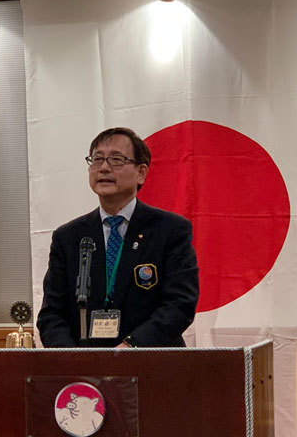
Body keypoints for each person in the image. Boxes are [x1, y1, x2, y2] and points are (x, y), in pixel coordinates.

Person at [37, 127, 199, 348]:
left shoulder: (170, 230)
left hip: (150, 359)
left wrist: (131, 348)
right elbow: (52, 314)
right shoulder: (68, 237)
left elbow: (180, 304)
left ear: (141, 173)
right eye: (97, 159)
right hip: (85, 364)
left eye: (116, 159)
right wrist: (71, 358)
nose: (104, 168)